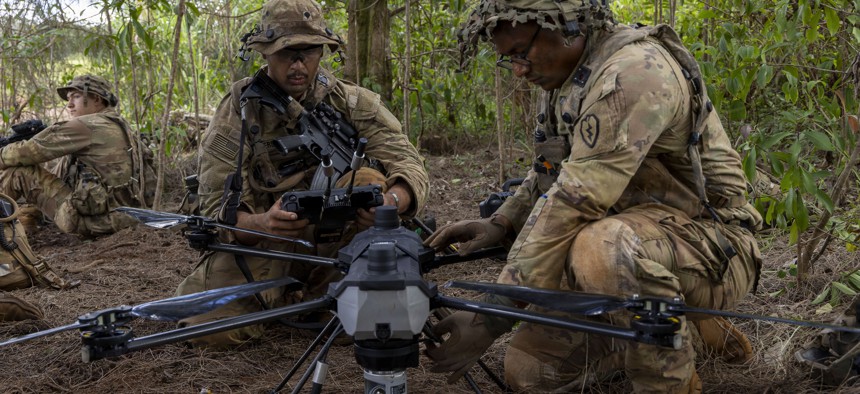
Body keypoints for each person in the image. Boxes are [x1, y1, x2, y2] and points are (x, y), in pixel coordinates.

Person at [424, 1, 762, 392]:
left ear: (568, 26)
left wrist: (491, 317)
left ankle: (668, 380)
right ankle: (685, 329)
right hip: (628, 255)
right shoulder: (568, 80)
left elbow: (574, 200)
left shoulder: (632, 74)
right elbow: (550, 172)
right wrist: (501, 222)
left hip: (712, 249)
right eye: (508, 60)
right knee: (531, 374)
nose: (518, 70)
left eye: (520, 53)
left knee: (602, 246)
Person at [175, 0, 429, 347]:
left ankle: (322, 295)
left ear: (322, 53)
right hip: (269, 246)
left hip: (342, 244)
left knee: (369, 179)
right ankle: (291, 299)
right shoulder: (241, 107)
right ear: (265, 54)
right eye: (285, 54)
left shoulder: (353, 103)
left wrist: (392, 202)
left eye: (307, 53)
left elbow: (409, 164)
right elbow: (215, 208)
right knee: (205, 330)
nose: (298, 65)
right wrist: (263, 223)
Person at [0, 74, 155, 238]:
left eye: (76, 97)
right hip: (122, 218)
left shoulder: (87, 125)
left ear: (96, 99)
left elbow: (28, 152)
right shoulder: (119, 124)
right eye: (68, 98)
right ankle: (29, 216)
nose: (69, 105)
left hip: (89, 222)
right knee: (59, 165)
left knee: (17, 173)